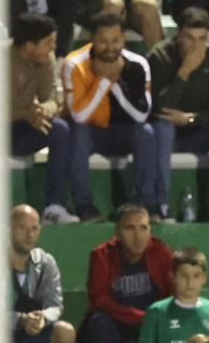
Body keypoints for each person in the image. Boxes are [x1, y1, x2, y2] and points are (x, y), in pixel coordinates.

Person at [61, 12, 156, 222]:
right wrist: (102, 82)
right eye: (103, 41)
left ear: (124, 39)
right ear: (92, 39)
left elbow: (141, 116)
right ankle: (85, 207)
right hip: (92, 132)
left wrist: (115, 86)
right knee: (79, 132)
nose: (110, 47)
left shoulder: (138, 64)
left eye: (116, 40)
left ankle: (144, 205)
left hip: (125, 132)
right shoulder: (74, 64)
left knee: (146, 132)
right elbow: (79, 115)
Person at [146, 7, 209, 223]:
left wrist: (191, 119)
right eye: (189, 38)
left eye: (202, 38)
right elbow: (160, 107)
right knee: (163, 128)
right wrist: (184, 72)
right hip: (167, 132)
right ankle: (162, 205)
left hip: (199, 129)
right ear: (178, 35)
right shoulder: (159, 56)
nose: (196, 45)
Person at [80, 203, 174, 343]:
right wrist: (139, 317)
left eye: (143, 228)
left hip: (151, 327)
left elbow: (173, 294)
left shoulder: (160, 252)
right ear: (117, 232)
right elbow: (99, 300)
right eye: (129, 228)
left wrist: (154, 319)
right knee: (99, 322)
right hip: (116, 326)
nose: (138, 236)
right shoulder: (102, 255)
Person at [7, 205, 78, 343]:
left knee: (65, 332)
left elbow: (55, 305)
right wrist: (21, 320)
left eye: (34, 228)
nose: (29, 234)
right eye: (22, 227)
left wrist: (42, 318)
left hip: (34, 335)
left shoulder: (46, 262)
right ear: (8, 229)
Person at [8, 13, 76, 225]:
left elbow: (54, 99)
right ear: (29, 46)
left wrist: (44, 110)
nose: (52, 47)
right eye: (48, 43)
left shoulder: (46, 58)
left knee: (60, 129)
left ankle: (54, 206)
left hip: (26, 125)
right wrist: (28, 113)